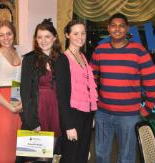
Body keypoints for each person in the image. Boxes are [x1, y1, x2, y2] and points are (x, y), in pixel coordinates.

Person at [90, 13, 155, 163]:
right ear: (108, 28)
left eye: (121, 26)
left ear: (127, 28)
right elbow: (91, 79)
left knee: (126, 157)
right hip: (103, 114)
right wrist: (93, 103)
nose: (117, 29)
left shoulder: (138, 51)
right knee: (101, 155)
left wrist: (147, 107)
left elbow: (152, 81)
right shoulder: (99, 50)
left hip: (129, 116)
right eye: (113, 25)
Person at [55, 20, 98, 163]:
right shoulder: (62, 59)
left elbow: (88, 89)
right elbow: (62, 95)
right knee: (70, 157)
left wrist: (91, 116)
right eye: (75, 33)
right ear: (67, 35)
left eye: (83, 33)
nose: (80, 37)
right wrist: (68, 126)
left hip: (86, 115)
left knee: (82, 155)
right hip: (72, 116)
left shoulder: (83, 56)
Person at [19, 18, 62, 161]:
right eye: (39, 37)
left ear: (54, 38)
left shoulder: (62, 59)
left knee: (54, 156)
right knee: (38, 158)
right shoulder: (29, 59)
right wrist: (32, 122)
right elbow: (25, 93)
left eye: (47, 36)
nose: (43, 41)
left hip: (56, 113)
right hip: (38, 113)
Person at [0, 20, 22, 163]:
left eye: (8, 34)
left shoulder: (16, 52)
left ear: (13, 34)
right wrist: (10, 107)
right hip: (3, 105)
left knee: (16, 144)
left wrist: (20, 103)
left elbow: (18, 82)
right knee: (4, 145)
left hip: (17, 101)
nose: (6, 38)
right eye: (1, 35)